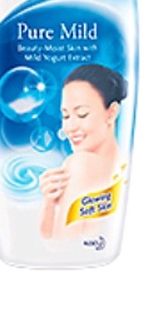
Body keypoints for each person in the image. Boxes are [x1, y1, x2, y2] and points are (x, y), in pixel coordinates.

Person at [39, 64, 128, 239]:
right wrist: (49, 204)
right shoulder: (122, 168)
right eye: (65, 116)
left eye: (82, 114)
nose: (70, 127)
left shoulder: (82, 162)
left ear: (111, 113)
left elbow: (61, 247)